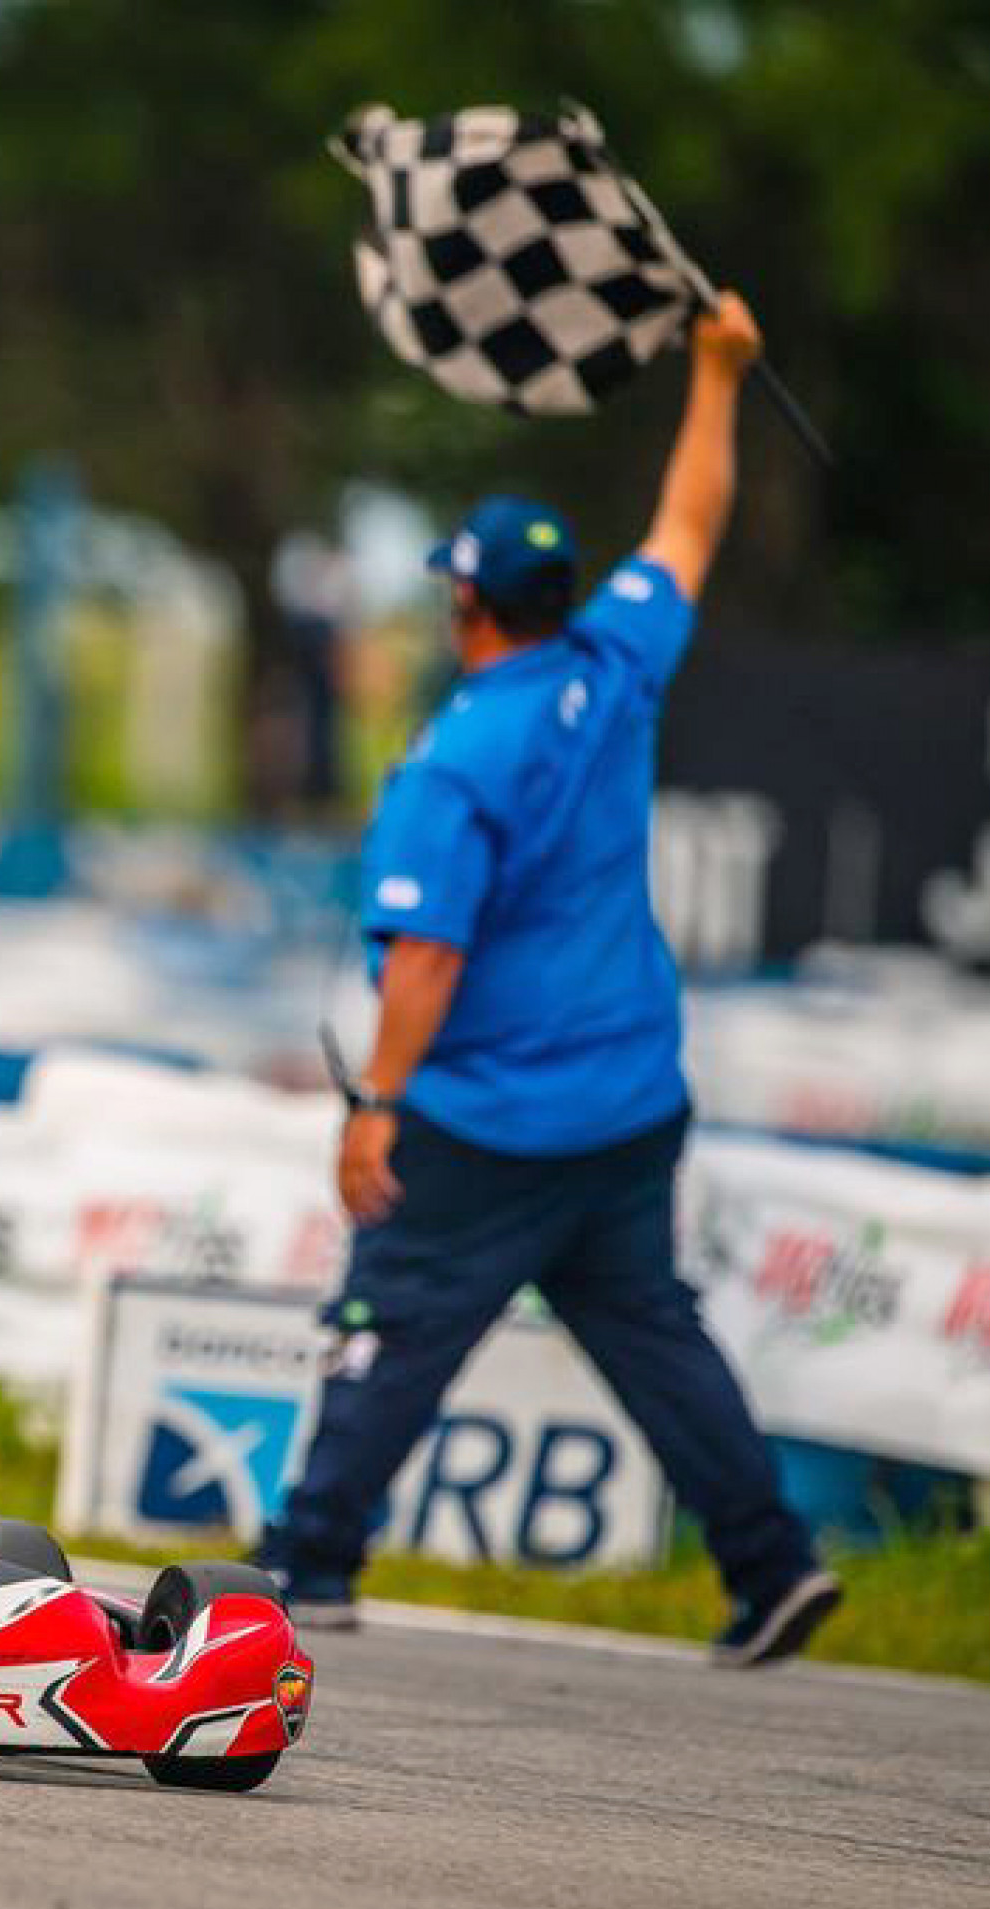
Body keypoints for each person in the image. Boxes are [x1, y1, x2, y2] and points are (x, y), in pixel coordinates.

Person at [269, 292, 841, 1668]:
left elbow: (426, 957)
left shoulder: (458, 757)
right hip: (630, 1096)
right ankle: (770, 1564)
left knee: (385, 1324)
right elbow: (687, 522)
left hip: (491, 1117)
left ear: (464, 599)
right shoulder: (614, 663)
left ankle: (306, 1564)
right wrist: (718, 372)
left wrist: (375, 1107)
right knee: (652, 1331)